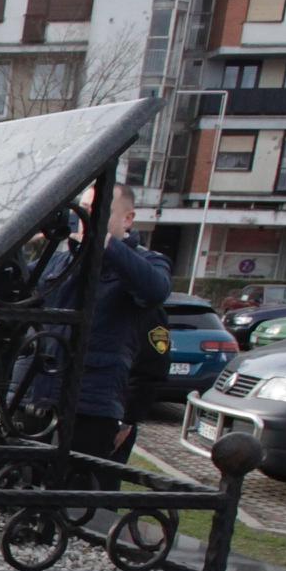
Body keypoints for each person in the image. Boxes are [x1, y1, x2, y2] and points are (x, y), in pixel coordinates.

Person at [18, 183, 173, 486]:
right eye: (86, 209)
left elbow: (151, 359)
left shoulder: (145, 265)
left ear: (127, 219)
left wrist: (129, 417)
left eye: (98, 210)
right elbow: (16, 291)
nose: (87, 217)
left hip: (90, 405)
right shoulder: (59, 261)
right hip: (35, 395)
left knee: (80, 499)